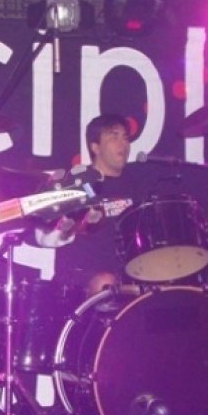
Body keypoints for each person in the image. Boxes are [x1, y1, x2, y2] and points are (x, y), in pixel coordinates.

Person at [35, 114, 135, 297]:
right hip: (80, 278)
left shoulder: (137, 184)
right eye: (114, 136)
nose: (123, 144)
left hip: (129, 274)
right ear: (95, 146)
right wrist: (66, 227)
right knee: (105, 283)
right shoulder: (75, 182)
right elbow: (43, 237)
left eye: (125, 137)